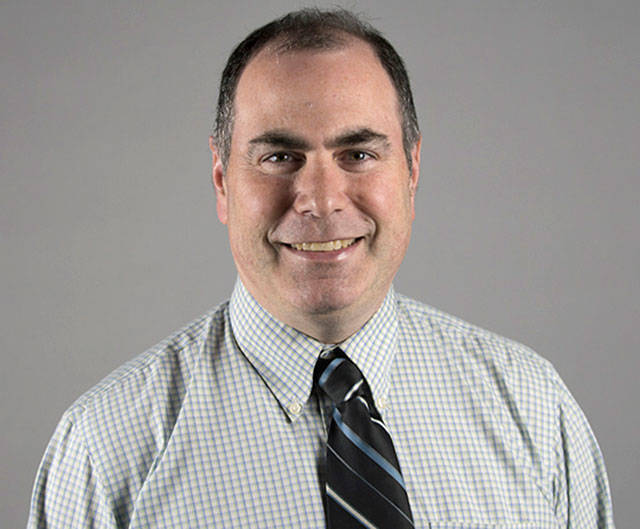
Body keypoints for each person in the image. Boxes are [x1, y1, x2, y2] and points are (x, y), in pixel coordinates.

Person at [28, 8, 615, 529]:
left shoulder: (534, 408)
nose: (321, 200)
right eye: (279, 156)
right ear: (221, 180)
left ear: (411, 171)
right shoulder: (106, 451)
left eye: (358, 154)